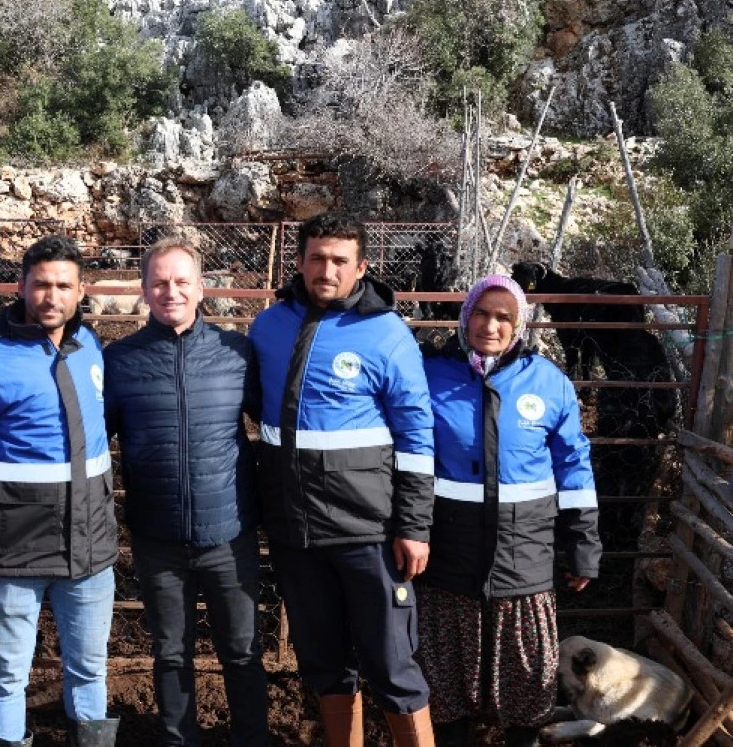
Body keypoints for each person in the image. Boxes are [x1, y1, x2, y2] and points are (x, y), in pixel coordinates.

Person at [248, 213, 436, 747]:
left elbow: (417, 436)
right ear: (299, 261)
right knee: (324, 664)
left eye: (339, 261)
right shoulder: (268, 326)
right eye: (317, 258)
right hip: (295, 533)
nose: (326, 270)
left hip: (368, 533)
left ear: (361, 267)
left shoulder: (387, 333)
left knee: (393, 666)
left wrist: (414, 526)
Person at [0, 235, 119, 747]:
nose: (51, 296)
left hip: (89, 547)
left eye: (63, 286)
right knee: (7, 673)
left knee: (90, 668)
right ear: (21, 286)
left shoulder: (89, 347)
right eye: (41, 284)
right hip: (14, 550)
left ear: (81, 291)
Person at [418, 274, 601, 747]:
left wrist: (583, 546)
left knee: (527, 678)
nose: (491, 325)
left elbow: (574, 467)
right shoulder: (429, 375)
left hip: (524, 562)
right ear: (465, 317)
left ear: (519, 325)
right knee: (446, 681)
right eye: (481, 313)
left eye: (504, 317)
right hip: (447, 559)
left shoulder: (548, 382)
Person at [104, 238, 269, 746]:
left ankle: (252, 740)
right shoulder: (120, 361)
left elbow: (274, 423)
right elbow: (95, 441)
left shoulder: (236, 353)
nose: (170, 291)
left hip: (230, 534)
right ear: (143, 290)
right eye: (159, 282)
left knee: (242, 651)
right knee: (170, 653)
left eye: (181, 281)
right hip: (157, 537)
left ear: (201, 288)